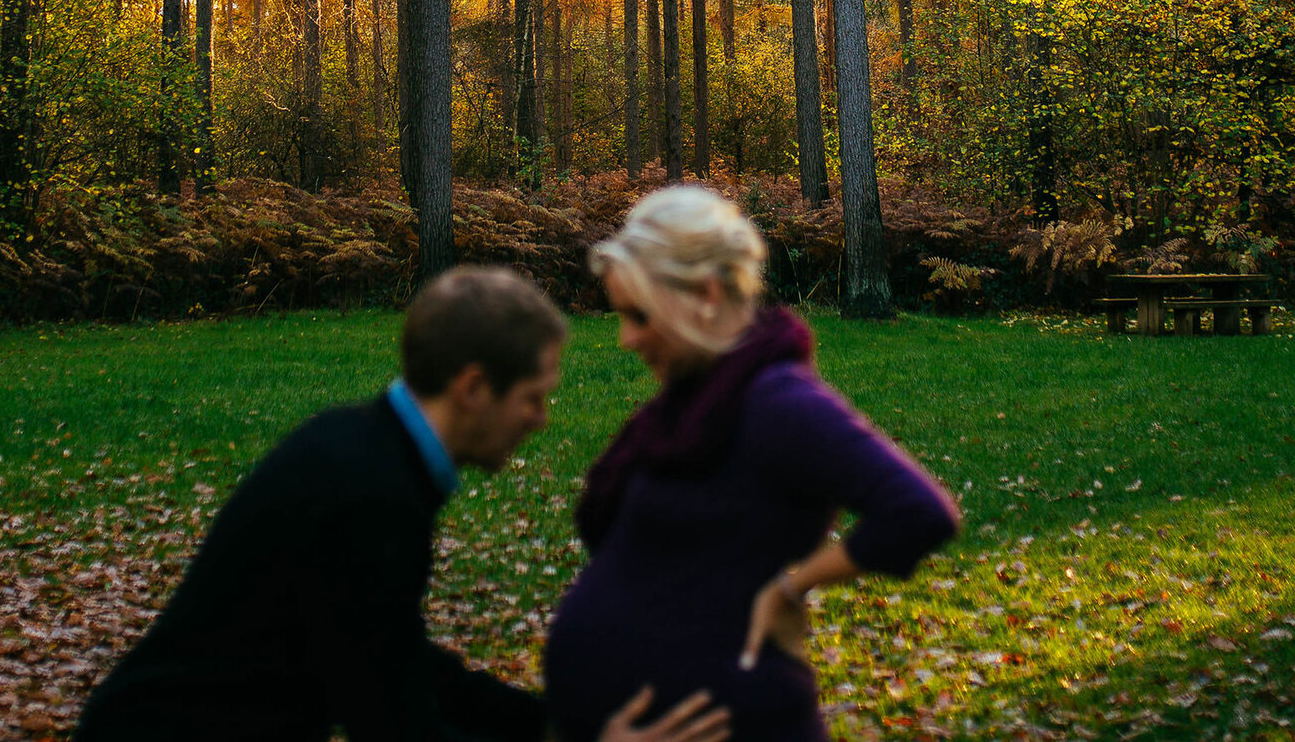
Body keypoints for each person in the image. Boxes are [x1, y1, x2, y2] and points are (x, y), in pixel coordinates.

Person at [76, 264, 731, 742]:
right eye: (533, 396)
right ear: (473, 387)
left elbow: (397, 659)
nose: (541, 418)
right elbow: (393, 721)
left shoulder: (364, 448)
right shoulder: (372, 497)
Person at [544, 186, 959, 742]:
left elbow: (918, 511)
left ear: (707, 294)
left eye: (639, 315)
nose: (626, 339)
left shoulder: (775, 400)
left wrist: (792, 585)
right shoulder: (693, 401)